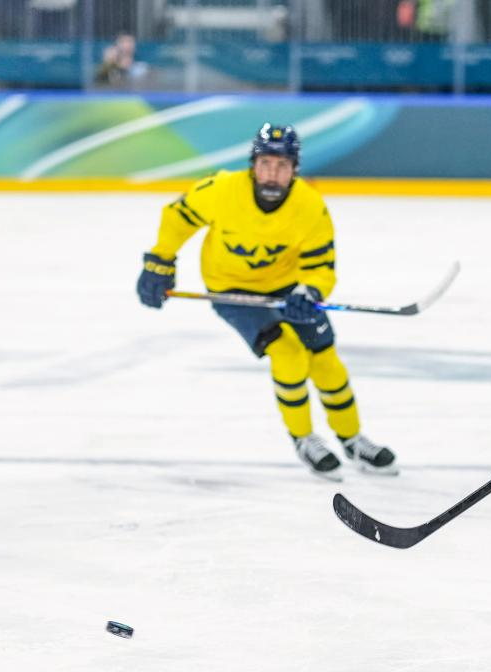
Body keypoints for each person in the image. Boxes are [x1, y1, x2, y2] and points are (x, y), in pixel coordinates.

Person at [136, 123, 397, 482]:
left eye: (282, 166)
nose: (272, 174)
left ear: (295, 170)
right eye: (266, 164)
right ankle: (304, 438)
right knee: (287, 353)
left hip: (288, 288)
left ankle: (352, 439)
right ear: (253, 165)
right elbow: (178, 216)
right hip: (233, 291)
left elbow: (321, 266)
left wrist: (310, 292)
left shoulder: (309, 205)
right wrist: (159, 262)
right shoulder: (222, 190)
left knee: (326, 361)